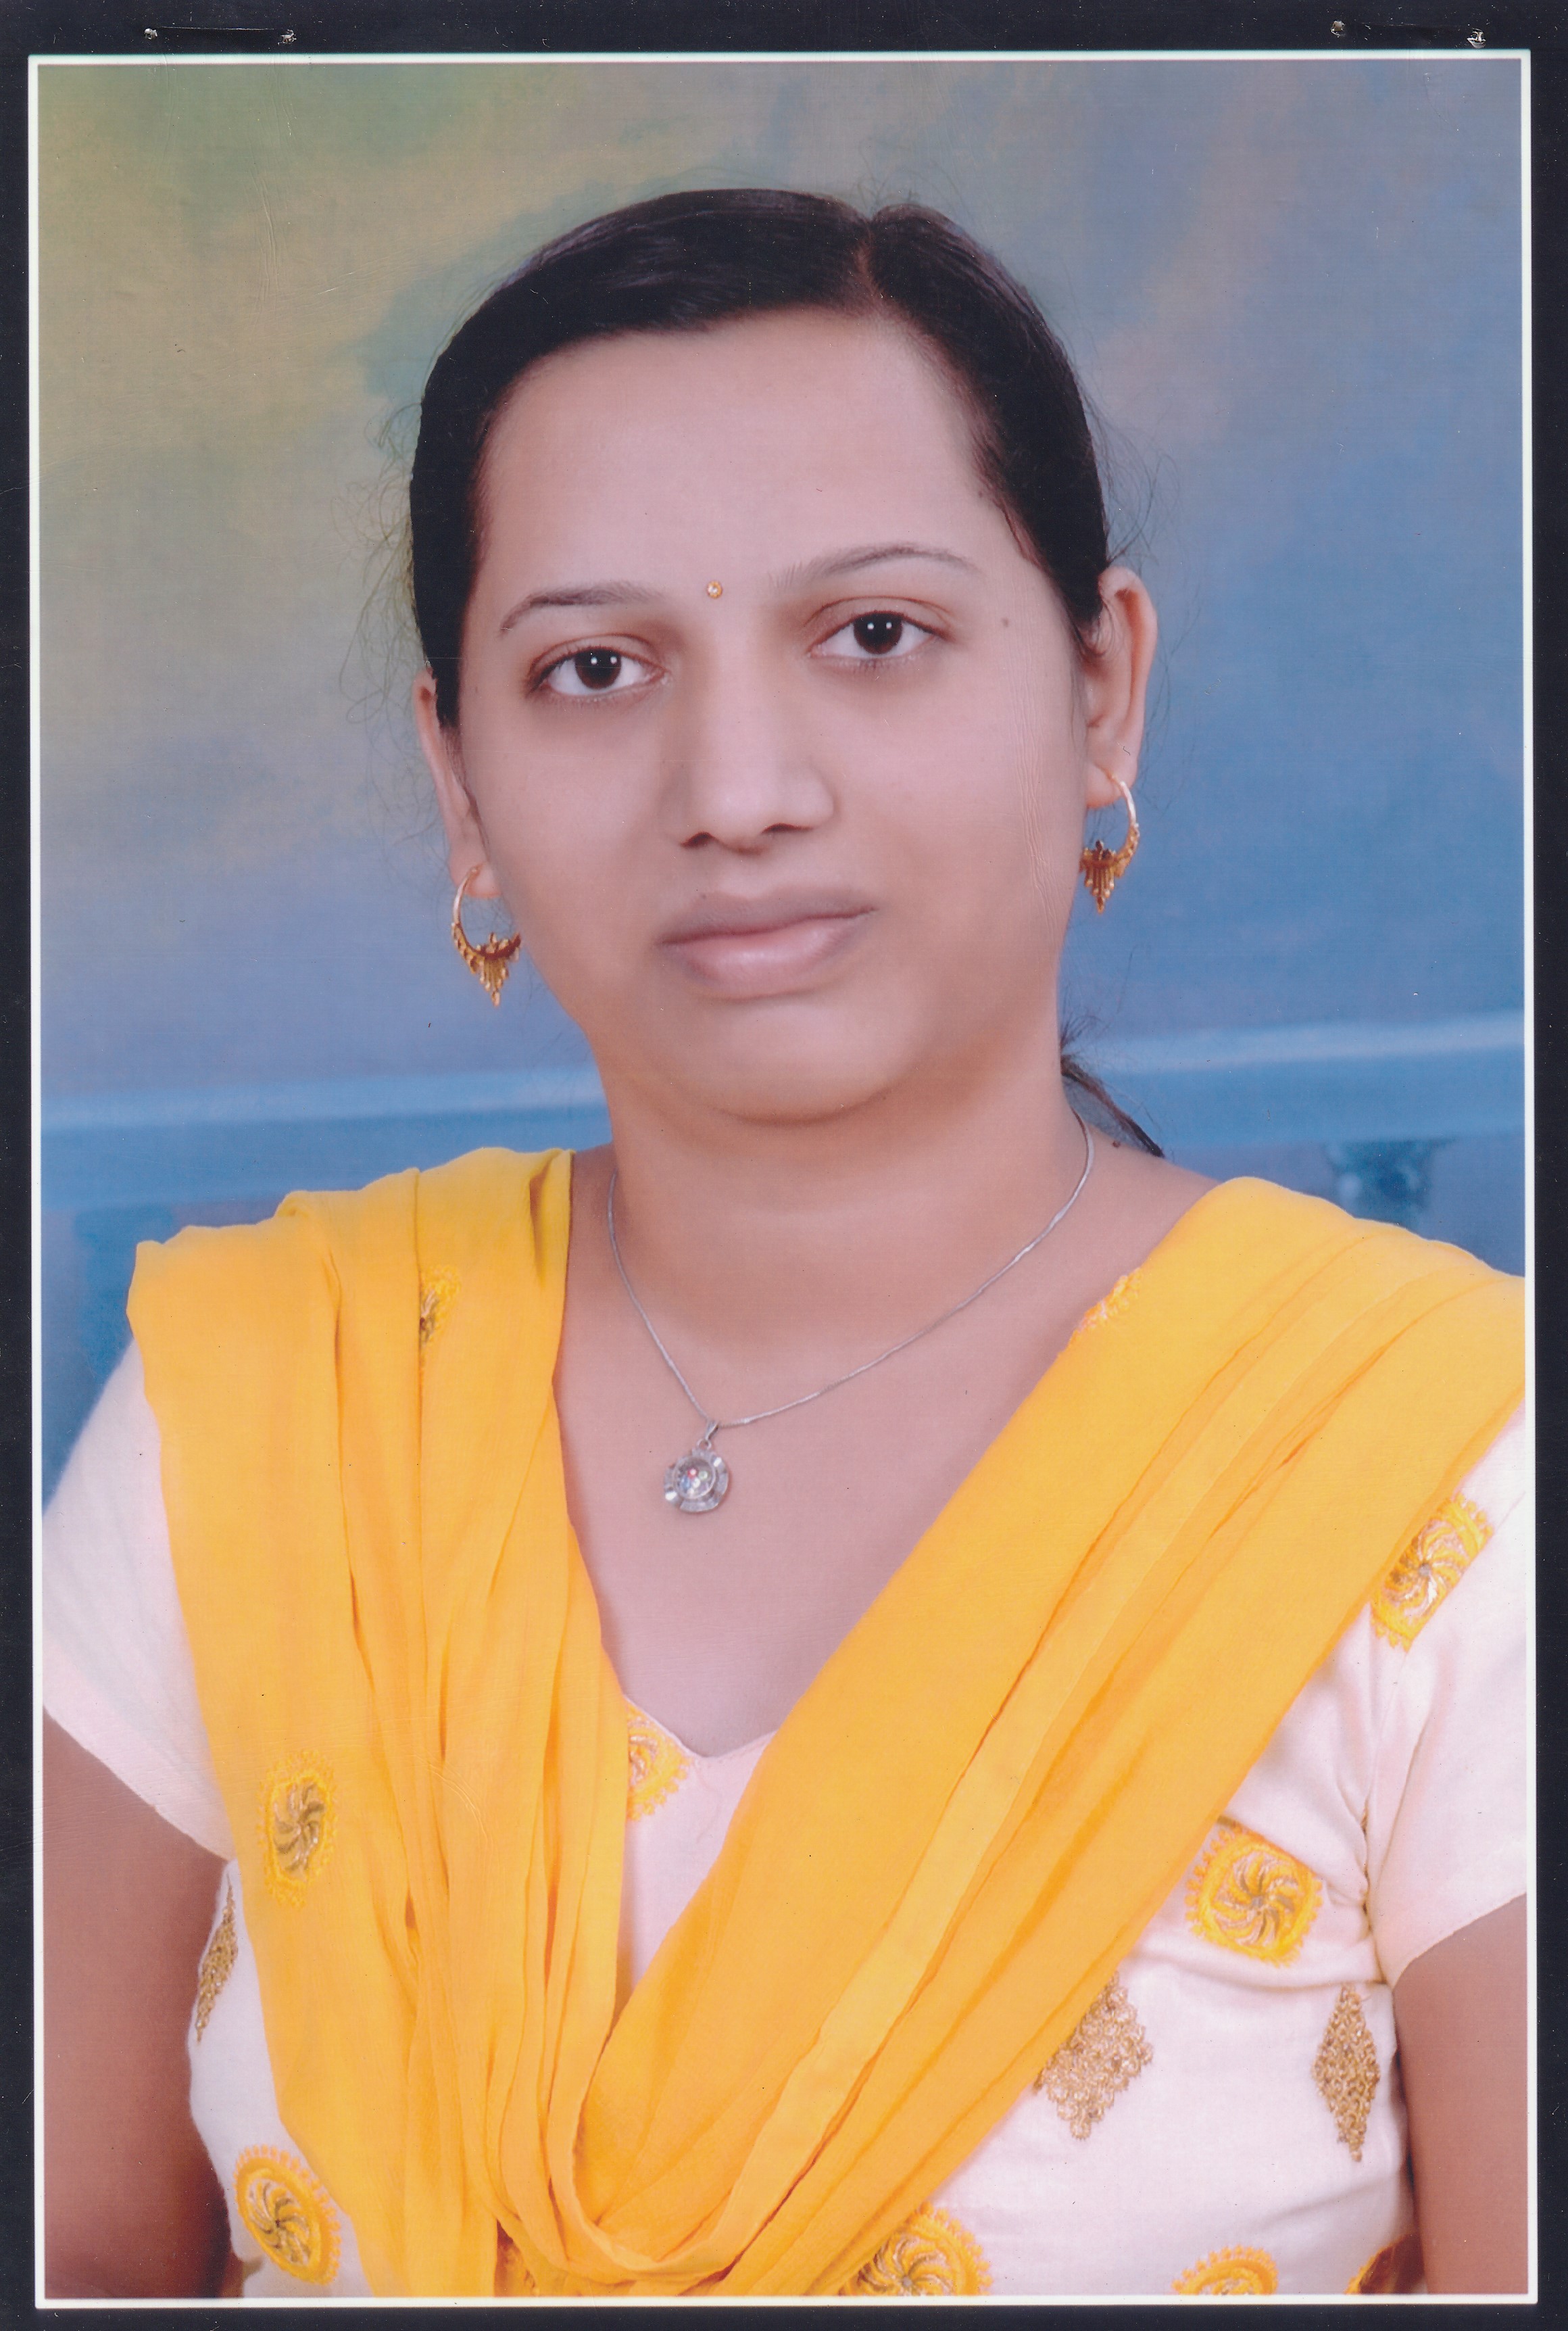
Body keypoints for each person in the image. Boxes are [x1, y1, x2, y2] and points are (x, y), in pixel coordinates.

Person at [42, 189, 1527, 2301]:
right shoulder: (260, 1418)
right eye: (594, 669)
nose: (736, 788)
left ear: (1101, 690)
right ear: (462, 785)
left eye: (875, 636)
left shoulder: (1446, 1476)